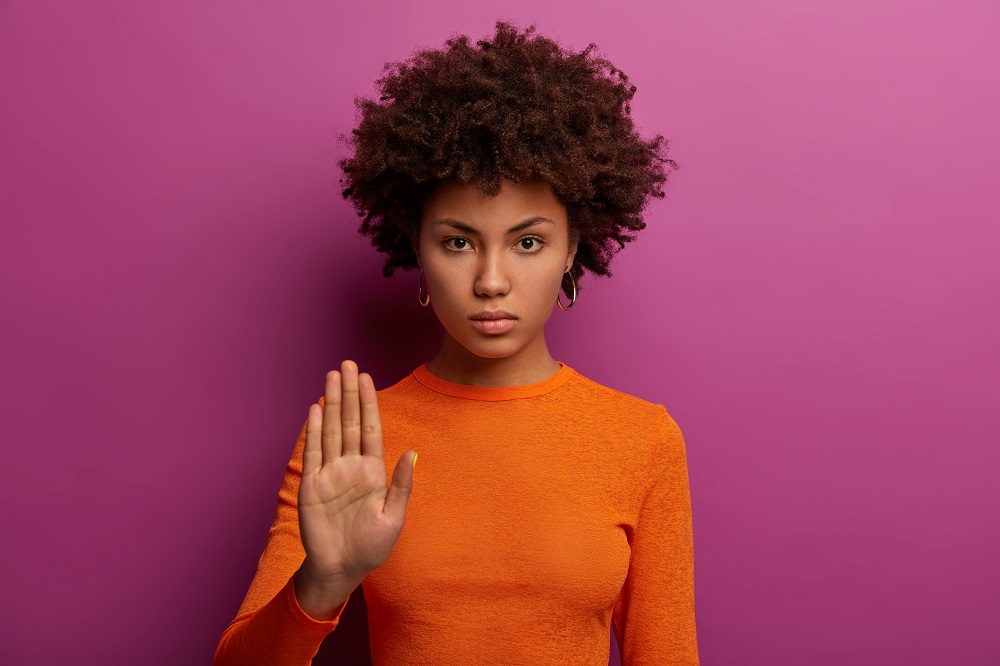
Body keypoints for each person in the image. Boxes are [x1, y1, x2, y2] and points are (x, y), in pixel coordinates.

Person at [214, 21, 698, 665]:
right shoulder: (352, 439)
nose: (491, 281)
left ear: (572, 248)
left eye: (528, 242)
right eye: (458, 241)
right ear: (418, 247)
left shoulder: (642, 440)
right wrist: (322, 585)